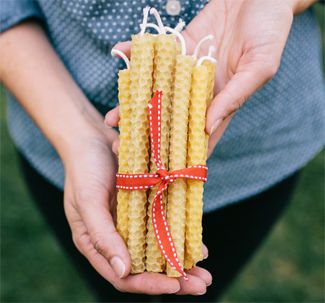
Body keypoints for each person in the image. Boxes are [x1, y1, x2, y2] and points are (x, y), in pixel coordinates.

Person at [0, 0, 324, 301]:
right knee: (118, 286)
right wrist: (77, 134)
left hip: (260, 151)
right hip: (61, 121)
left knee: (203, 287)